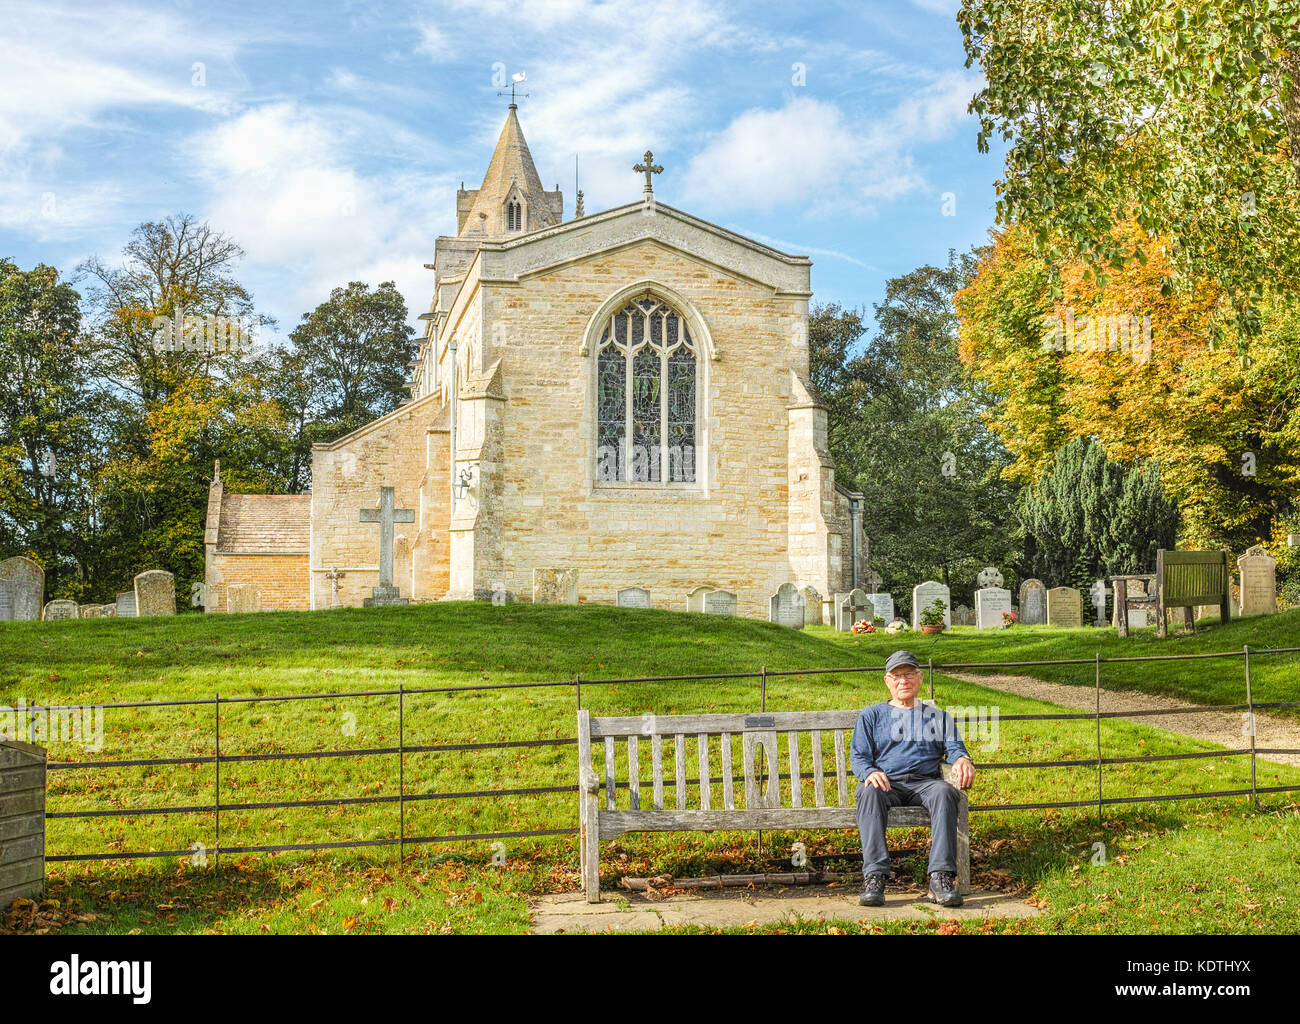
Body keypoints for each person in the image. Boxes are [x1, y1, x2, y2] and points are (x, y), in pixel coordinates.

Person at [850, 649, 975, 908]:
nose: (903, 681)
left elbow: (955, 749)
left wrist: (963, 759)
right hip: (887, 784)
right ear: (887, 681)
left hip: (924, 783)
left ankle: (940, 878)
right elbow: (859, 757)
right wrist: (870, 772)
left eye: (908, 675)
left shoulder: (937, 716)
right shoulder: (871, 716)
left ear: (919, 679)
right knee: (868, 791)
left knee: (945, 792)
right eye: (896, 676)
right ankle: (875, 877)